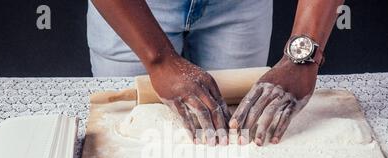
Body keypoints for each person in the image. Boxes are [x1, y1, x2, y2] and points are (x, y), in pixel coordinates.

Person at [88, 0, 344, 146]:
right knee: (125, 146)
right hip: (134, 7)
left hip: (240, 7)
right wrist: (159, 60)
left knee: (240, 142)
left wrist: (302, 56)